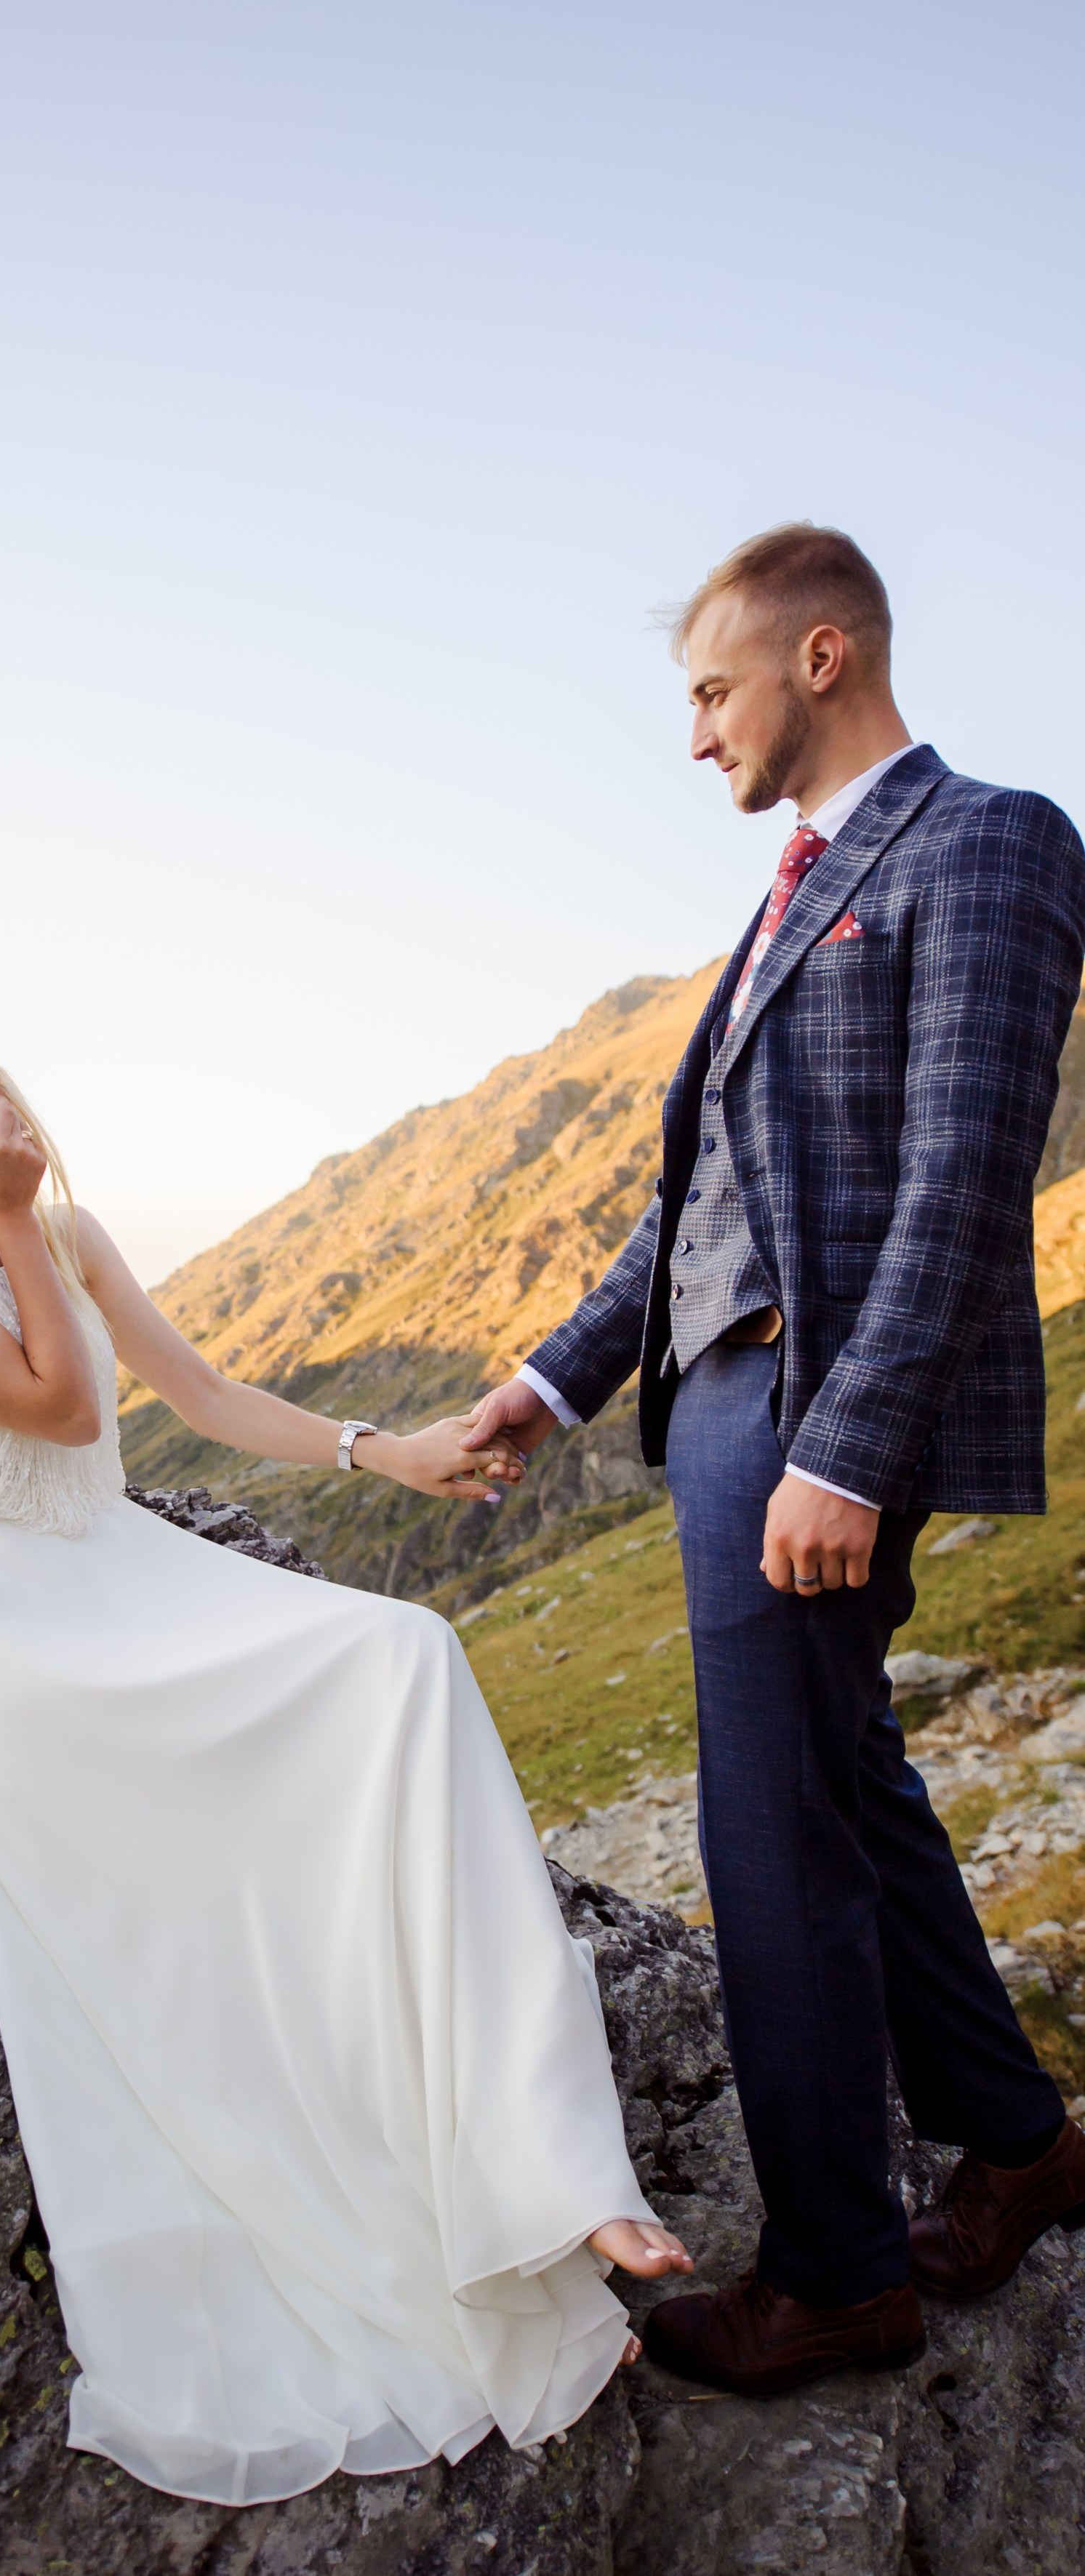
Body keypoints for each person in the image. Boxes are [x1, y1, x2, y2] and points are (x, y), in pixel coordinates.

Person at [0, 1003, 689, 2507]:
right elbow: (55, 1401)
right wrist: (18, 1221)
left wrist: (381, 1448)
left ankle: (549, 2171)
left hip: (115, 1564)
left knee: (406, 1657)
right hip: (4, 1623)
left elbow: (195, 1394)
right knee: (262, 1823)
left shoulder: (64, 1230)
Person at [463, 523, 1085, 2398]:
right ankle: (1022, 2136)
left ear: (823, 657)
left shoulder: (991, 839)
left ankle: (835, 2273)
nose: (695, 732)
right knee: (849, 1776)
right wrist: (550, 1383)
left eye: (710, 690)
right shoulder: (788, 895)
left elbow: (968, 1177)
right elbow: (698, 1209)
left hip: (813, 1416)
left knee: (776, 1825)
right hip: (731, 1401)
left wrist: (846, 1445)